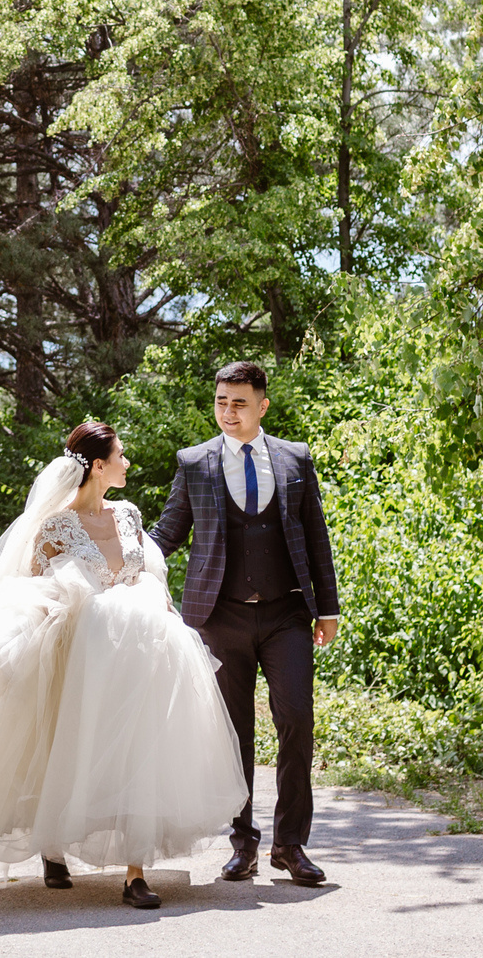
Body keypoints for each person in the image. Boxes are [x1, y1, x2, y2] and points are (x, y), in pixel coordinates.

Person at [0, 421, 246, 908]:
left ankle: (134, 872)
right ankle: (52, 846)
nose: (128, 462)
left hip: (142, 648)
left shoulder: (129, 515)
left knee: (140, 749)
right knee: (62, 744)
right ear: (98, 465)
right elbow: (33, 587)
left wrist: (164, 611)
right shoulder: (56, 526)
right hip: (84, 647)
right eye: (121, 455)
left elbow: (149, 573)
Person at [148, 360, 342, 887]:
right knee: (234, 735)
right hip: (219, 616)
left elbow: (315, 536)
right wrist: (120, 558)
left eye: (238, 403)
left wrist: (329, 607)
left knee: (296, 719)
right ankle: (244, 844)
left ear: (262, 405)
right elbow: (169, 532)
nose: (228, 412)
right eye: (220, 402)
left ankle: (290, 844)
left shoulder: (295, 458)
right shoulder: (195, 463)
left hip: (286, 614)